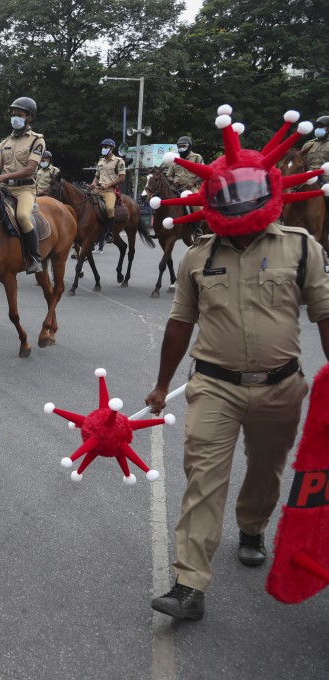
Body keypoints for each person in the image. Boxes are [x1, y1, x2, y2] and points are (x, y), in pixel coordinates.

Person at [144, 118, 329, 622]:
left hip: (281, 387)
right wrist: (163, 385)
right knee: (203, 478)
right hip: (214, 387)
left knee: (267, 471)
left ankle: (252, 526)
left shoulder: (301, 247)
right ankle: (189, 584)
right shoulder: (198, 258)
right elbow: (180, 324)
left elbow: (325, 315)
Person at [0, 97, 46, 274]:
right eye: (13, 114)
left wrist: (3, 177)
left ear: (29, 117)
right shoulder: (5, 142)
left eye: (19, 115)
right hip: (4, 189)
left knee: (22, 217)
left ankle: (35, 257)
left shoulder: (37, 140)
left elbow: (30, 169)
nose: (15, 118)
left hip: (24, 189)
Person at [91, 139, 126, 248]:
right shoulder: (100, 161)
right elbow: (97, 176)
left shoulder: (119, 161)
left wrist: (108, 185)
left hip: (109, 190)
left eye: (106, 147)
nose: (104, 149)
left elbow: (122, 178)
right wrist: (93, 183)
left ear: (111, 149)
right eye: (103, 147)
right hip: (97, 189)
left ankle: (109, 233)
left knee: (110, 208)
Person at [300, 116, 329, 180]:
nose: (318, 129)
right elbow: (300, 163)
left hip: (327, 179)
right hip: (310, 178)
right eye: (317, 127)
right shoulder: (308, 144)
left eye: (321, 127)